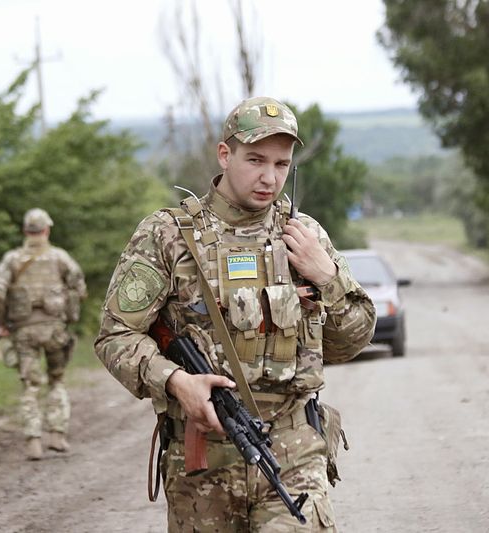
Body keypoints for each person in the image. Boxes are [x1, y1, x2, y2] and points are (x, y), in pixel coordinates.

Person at [94, 96, 375, 531]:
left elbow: (349, 343)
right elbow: (115, 336)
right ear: (225, 154)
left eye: (282, 164)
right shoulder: (168, 235)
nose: (269, 177)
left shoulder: (304, 235)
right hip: (203, 461)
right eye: (256, 160)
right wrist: (175, 381)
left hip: (293, 449)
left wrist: (327, 276)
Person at [0, 208, 87, 460]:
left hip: (23, 331)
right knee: (56, 380)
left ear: (25, 231)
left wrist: (1, 324)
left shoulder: (12, 259)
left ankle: (33, 442)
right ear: (46, 230)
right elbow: (79, 286)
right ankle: (57, 435)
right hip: (54, 329)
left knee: (31, 386)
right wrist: (69, 308)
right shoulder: (59, 257)